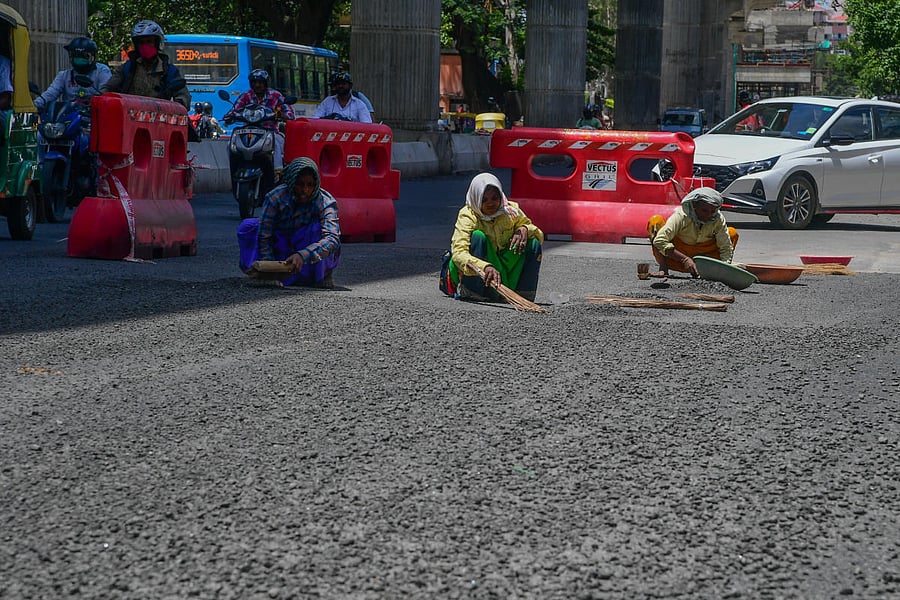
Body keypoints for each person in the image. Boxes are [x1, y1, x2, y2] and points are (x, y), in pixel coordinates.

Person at [237, 157, 341, 289]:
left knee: (317, 229)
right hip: (280, 245)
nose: (305, 190)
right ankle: (262, 274)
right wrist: (269, 269)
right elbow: (265, 236)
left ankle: (321, 274)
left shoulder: (325, 201)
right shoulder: (275, 198)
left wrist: (303, 255)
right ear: (292, 182)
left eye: (310, 185)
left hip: (306, 250)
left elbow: (332, 238)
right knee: (248, 227)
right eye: (300, 184)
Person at [444, 172, 544, 302]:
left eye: (494, 198)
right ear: (476, 199)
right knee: (477, 237)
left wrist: (524, 228)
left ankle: (522, 294)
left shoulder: (510, 211)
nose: (490, 203)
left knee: (533, 243)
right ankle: (472, 291)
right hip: (477, 269)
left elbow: (539, 234)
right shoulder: (468, 215)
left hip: (501, 265)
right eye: (484, 200)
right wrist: (484, 266)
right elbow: (458, 254)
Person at [646, 187, 739, 278]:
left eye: (712, 211)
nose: (709, 215)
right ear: (694, 206)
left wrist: (724, 270)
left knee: (732, 233)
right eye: (704, 210)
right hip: (675, 259)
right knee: (656, 221)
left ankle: (713, 272)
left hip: (704, 262)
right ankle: (663, 268)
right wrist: (685, 259)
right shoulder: (682, 215)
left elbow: (725, 247)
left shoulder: (718, 218)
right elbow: (660, 241)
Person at [100, 20, 191, 109]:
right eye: (141, 42)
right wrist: (98, 96)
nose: (145, 46)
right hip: (130, 118)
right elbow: (109, 87)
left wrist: (178, 104)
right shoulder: (127, 68)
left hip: (159, 119)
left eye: (149, 41)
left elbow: (183, 96)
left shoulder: (170, 71)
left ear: (157, 43)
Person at [224, 69, 294, 169]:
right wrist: (229, 117)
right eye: (254, 82)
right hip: (247, 132)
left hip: (270, 132)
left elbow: (290, 114)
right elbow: (234, 110)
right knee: (230, 144)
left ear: (265, 83)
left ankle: (277, 172)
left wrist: (281, 115)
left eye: (260, 82)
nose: (257, 85)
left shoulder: (275, 95)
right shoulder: (246, 96)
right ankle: (235, 168)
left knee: (276, 145)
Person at [33, 37, 111, 111]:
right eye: (76, 56)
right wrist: (34, 106)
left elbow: (106, 93)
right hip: (68, 119)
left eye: (84, 57)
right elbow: (50, 94)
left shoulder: (102, 72)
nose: (80, 60)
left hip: (94, 118)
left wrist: (95, 98)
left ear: (93, 57)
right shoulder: (64, 75)